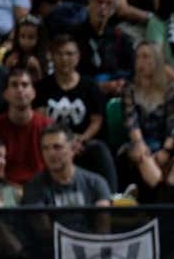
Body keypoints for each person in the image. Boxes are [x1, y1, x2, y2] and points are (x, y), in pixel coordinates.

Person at [35, 34, 118, 192]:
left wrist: (80, 139)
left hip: (82, 142)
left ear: (78, 57)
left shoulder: (90, 85)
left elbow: (97, 120)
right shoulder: (42, 88)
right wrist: (64, 142)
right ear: (52, 56)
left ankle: (111, 198)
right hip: (52, 142)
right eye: (59, 54)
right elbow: (41, 118)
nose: (64, 58)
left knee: (99, 149)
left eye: (69, 54)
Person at [117, 41, 174, 201]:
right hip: (139, 142)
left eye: (146, 56)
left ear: (156, 61)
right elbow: (131, 121)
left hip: (166, 143)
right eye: (138, 57)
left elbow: (173, 124)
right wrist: (140, 143)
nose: (141, 61)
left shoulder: (169, 91)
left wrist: (166, 150)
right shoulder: (129, 89)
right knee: (143, 156)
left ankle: (164, 199)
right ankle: (165, 199)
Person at [0, 68, 52, 185]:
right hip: (2, 188)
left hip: (41, 189)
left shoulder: (48, 127)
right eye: (14, 85)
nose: (20, 90)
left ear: (34, 93)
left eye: (25, 85)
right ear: (5, 94)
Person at [21, 125, 112, 207]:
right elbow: (42, 225)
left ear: (73, 149)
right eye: (45, 148)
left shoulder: (95, 183)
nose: (50, 153)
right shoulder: (34, 187)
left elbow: (102, 222)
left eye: (57, 147)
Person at [73, 0, 135, 96]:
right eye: (99, 1)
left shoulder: (121, 37)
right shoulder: (74, 35)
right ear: (89, 2)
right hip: (83, 92)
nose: (103, 7)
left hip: (117, 92)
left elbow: (132, 69)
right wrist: (96, 86)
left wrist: (121, 83)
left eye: (108, 3)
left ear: (113, 9)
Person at [3, 15, 49, 81]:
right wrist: (7, 66)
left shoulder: (44, 58)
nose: (25, 41)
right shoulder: (10, 55)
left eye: (31, 37)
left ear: (39, 38)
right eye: (22, 36)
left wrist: (37, 69)